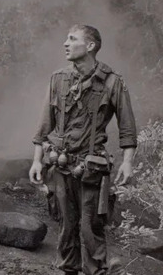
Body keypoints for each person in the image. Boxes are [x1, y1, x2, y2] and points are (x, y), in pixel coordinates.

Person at [29, 25, 137, 275]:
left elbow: (127, 127)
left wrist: (128, 162)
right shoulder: (58, 79)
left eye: (72, 39)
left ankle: (96, 271)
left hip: (91, 170)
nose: (65, 43)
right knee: (66, 226)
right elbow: (44, 125)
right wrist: (37, 161)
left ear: (90, 46)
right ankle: (68, 270)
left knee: (91, 228)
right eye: (66, 38)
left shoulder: (113, 82)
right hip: (60, 165)